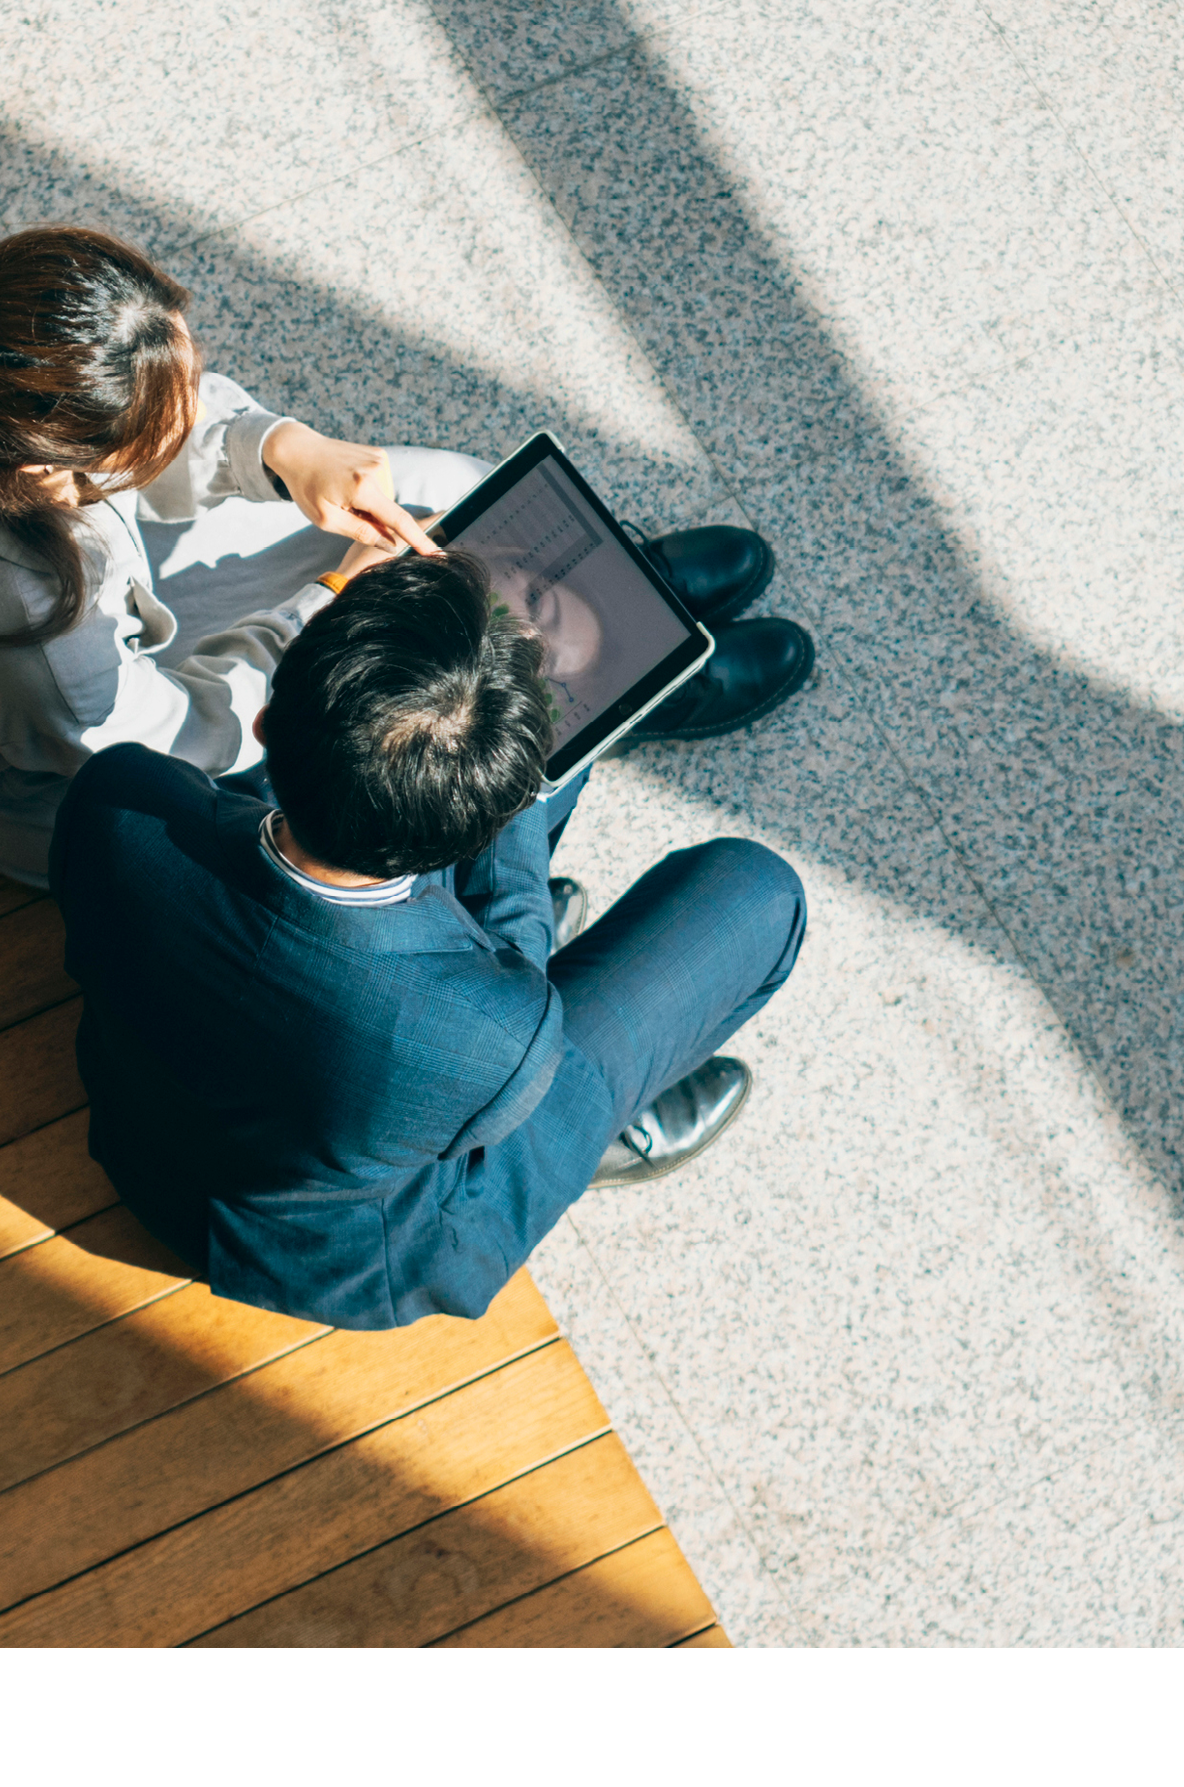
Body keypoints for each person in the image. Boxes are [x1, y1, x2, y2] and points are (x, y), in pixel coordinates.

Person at [0, 227, 815, 887]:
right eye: (165, 421)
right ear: (61, 471)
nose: (199, 402)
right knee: (402, 699)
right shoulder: (34, 634)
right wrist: (331, 610)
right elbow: (187, 747)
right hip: (107, 791)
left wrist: (287, 451)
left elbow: (159, 414)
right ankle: (634, 679)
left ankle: (616, 601)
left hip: (106, 633)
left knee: (445, 494)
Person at [51, 548, 806, 1331]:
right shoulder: (495, 1040)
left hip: (148, 1147)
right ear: (453, 847)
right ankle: (591, 1141)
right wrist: (520, 787)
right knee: (759, 893)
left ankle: (588, 712)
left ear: (266, 722)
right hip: (354, 1251)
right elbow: (517, 985)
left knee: (519, 770)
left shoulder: (120, 805)